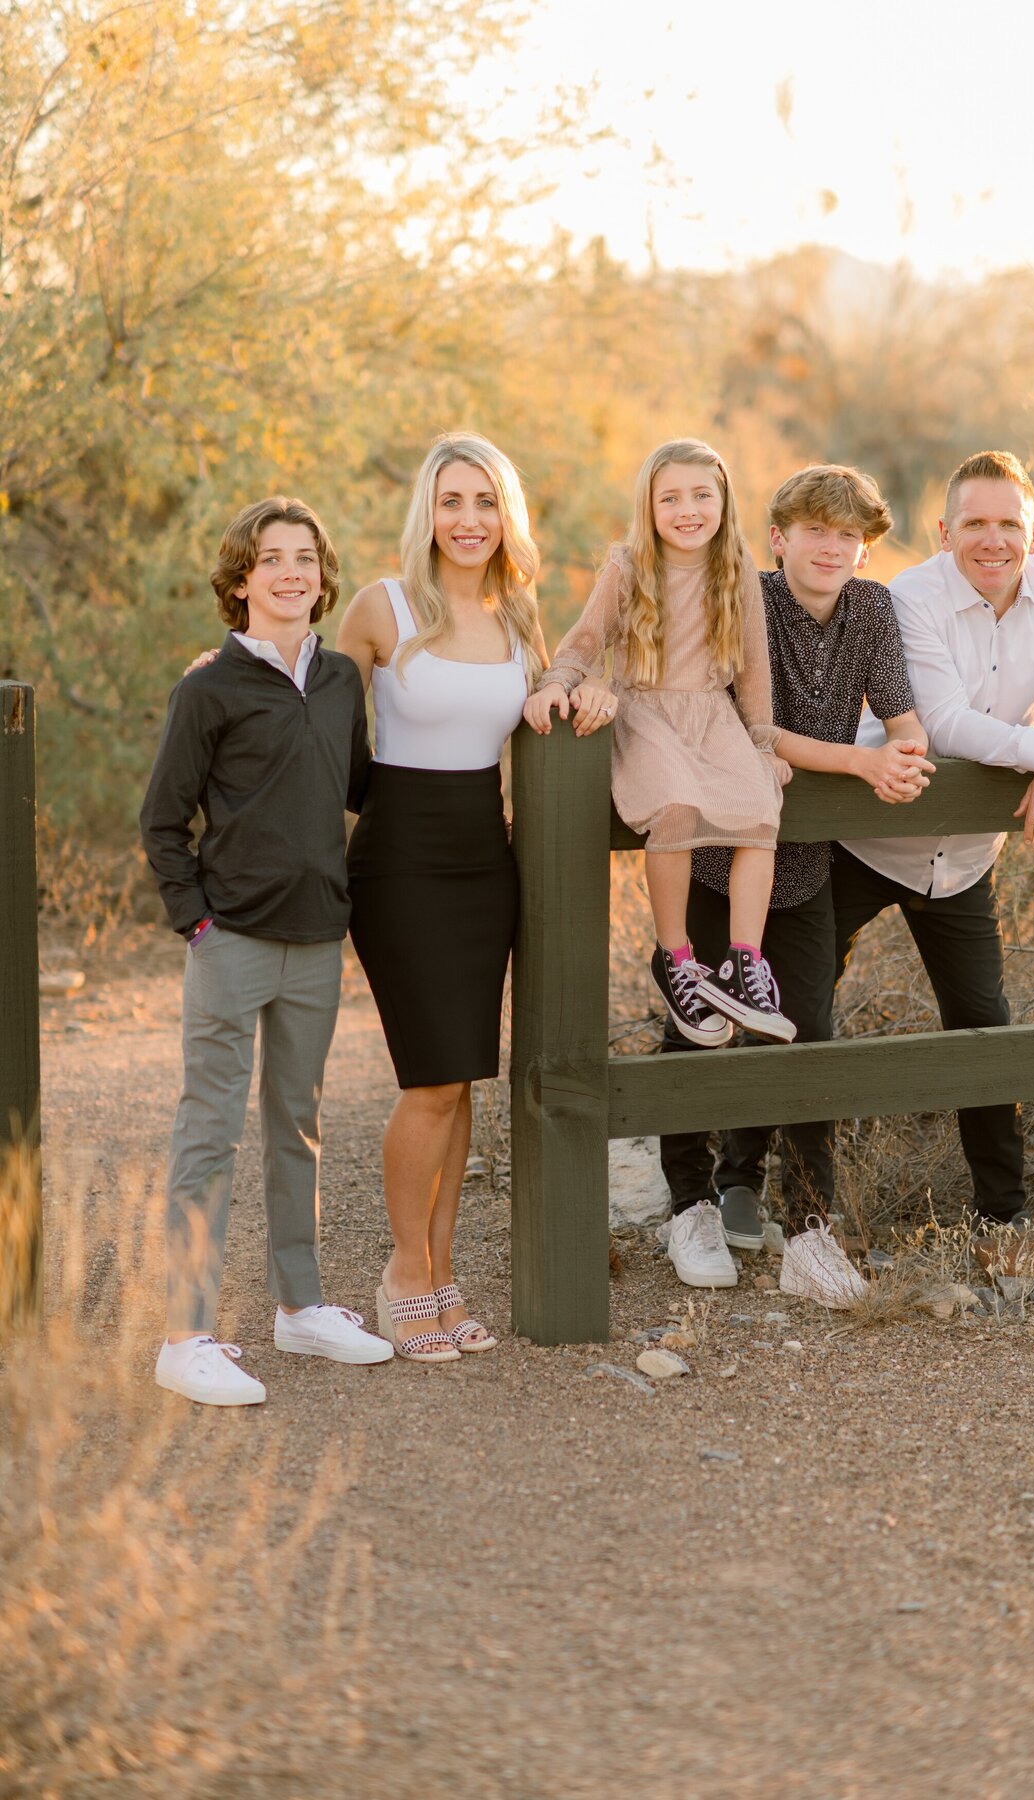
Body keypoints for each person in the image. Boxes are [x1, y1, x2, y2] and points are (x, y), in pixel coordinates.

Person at [655, 464, 933, 1294]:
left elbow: (902, 713)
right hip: (713, 854)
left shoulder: (873, 608)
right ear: (780, 538)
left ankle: (812, 1231)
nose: (833, 546)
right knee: (694, 1033)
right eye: (817, 530)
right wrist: (859, 761)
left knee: (810, 1036)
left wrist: (906, 757)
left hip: (805, 866)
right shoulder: (746, 599)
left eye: (849, 534)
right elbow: (755, 731)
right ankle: (690, 1208)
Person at [142, 497, 394, 1407]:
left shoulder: (336, 683)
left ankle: (301, 1307)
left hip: (317, 938)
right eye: (270, 559)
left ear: (323, 576)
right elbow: (162, 821)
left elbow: (362, 785)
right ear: (241, 580)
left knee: (299, 1126)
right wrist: (198, 924)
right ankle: (184, 1334)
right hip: (232, 939)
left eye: (305, 558)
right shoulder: (207, 687)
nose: (290, 573)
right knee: (207, 1132)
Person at [833, 449, 1034, 1225]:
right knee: (799, 1013)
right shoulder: (909, 595)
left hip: (963, 859)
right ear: (943, 532)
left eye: (1008, 524)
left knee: (983, 1027)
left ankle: (1004, 1217)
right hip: (866, 838)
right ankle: (750, 1190)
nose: (992, 541)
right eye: (974, 524)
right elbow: (944, 723)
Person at [338, 434, 579, 1361]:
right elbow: (313, 714)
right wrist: (222, 668)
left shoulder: (522, 619)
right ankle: (404, 1269)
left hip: (488, 862)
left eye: (485, 503)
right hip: (400, 862)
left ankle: (443, 1273)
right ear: (427, 515)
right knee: (430, 1076)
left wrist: (581, 689)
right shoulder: (381, 607)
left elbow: (544, 722)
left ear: (505, 517)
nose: (468, 520)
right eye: (451, 502)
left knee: (463, 1074)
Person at [525, 438, 795, 1047]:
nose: (688, 510)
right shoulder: (628, 566)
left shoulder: (738, 567)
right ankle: (675, 958)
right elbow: (586, 640)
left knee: (759, 809)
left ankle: (743, 963)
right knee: (672, 803)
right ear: (648, 507)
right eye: (670, 498)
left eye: (703, 495)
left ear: (723, 500)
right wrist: (557, 683)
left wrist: (761, 743)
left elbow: (754, 668)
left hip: (713, 715)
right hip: (645, 710)